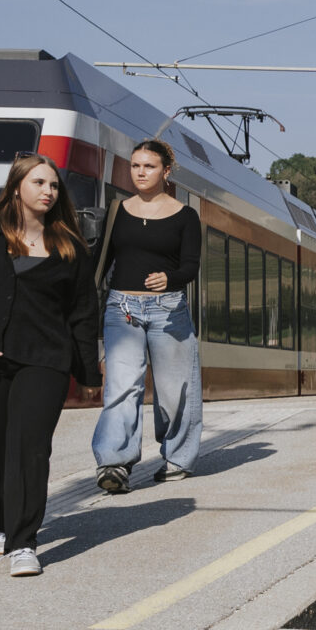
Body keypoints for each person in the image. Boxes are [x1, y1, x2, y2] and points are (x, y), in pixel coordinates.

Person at [0, 155, 100, 575]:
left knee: (30, 449)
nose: (49, 191)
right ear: (16, 188)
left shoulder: (70, 245)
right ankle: (0, 521)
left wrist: (88, 374)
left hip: (44, 360)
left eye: (54, 185)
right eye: (39, 183)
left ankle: (24, 542)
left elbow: (83, 313)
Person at [90, 138, 203, 492]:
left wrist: (171, 278)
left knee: (174, 391)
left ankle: (177, 457)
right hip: (122, 309)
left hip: (168, 310)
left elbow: (191, 267)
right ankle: (114, 463)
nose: (140, 172)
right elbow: (102, 265)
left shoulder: (185, 216)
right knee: (122, 387)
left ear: (165, 172)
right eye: (135, 165)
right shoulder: (117, 212)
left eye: (149, 166)